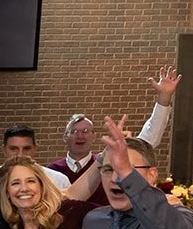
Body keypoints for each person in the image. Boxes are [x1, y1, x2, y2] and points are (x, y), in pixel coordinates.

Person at [45, 67, 179, 188]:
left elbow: (147, 139)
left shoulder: (108, 163)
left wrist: (164, 98)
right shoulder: (52, 172)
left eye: (86, 131)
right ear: (65, 137)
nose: (80, 135)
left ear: (94, 136)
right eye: (74, 132)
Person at [1, 127, 70, 189]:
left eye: (26, 148)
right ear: (4, 150)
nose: (20, 154)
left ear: (35, 149)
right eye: (13, 149)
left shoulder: (58, 180)